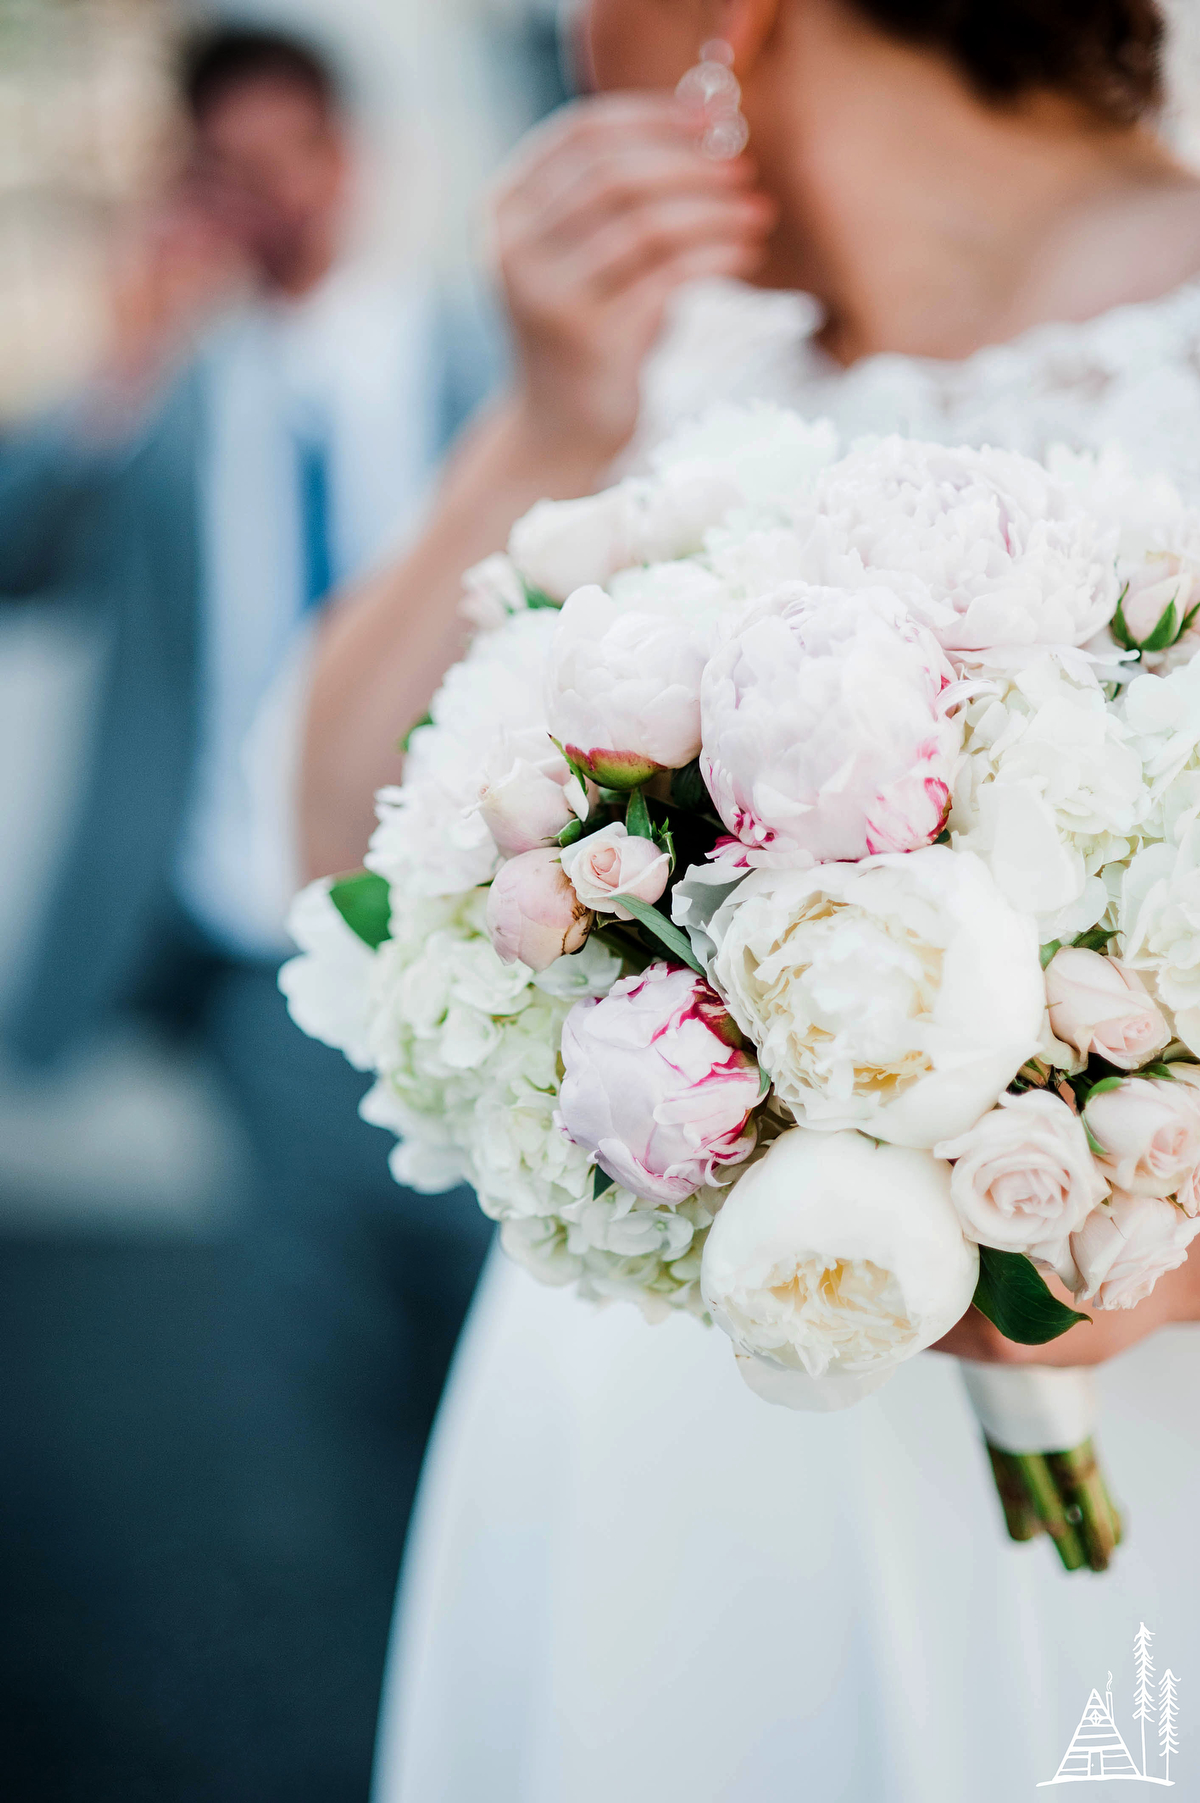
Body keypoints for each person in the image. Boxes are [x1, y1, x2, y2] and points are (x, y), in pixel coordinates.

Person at [298, 2, 1200, 1798]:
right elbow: (330, 864)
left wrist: (1145, 1257)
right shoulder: (672, 369)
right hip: (640, 1448)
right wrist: (556, 412)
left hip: (1113, 1415)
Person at [0, 25, 495, 1800]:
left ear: (352, 160)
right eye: (235, 162)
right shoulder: (172, 390)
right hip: (256, 966)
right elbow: (16, 555)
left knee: (503, 1374)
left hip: (488, 958)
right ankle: (388, 1730)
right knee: (322, 1394)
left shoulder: (489, 366)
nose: (271, 192)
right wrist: (121, 365)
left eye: (297, 151)